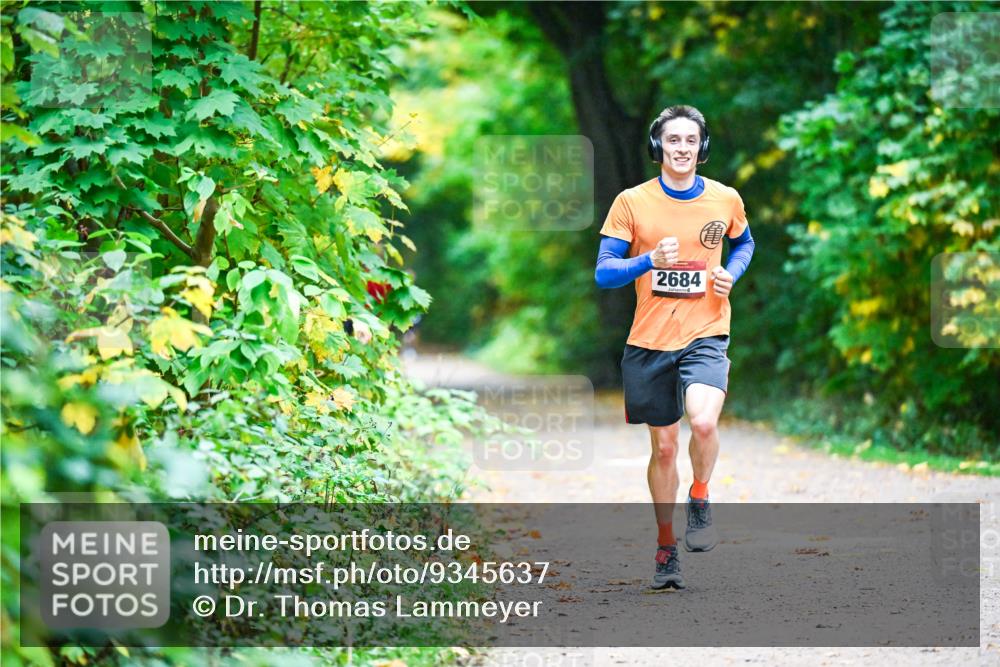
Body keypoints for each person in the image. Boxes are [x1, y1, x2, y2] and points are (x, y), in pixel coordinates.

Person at [594, 105, 755, 589]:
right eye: (672, 140)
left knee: (703, 420)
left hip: (706, 330)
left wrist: (733, 273)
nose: (681, 148)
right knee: (664, 449)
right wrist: (647, 260)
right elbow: (604, 272)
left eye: (690, 140)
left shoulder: (725, 199)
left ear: (701, 148)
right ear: (658, 146)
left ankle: (700, 495)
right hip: (649, 341)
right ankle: (667, 547)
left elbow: (745, 244)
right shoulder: (631, 202)